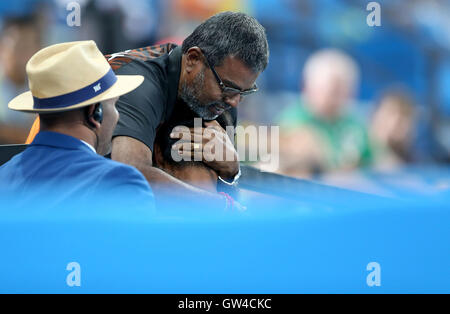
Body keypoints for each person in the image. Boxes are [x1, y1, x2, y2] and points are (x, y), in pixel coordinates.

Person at [0, 40, 155, 210]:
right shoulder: (120, 184)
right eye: (114, 105)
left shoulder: (4, 177)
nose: (117, 116)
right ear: (95, 112)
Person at [277, 49, 372, 178]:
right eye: (333, 90)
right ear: (308, 87)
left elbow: (378, 161)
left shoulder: (354, 123)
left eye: (345, 90)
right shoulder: (294, 120)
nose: (340, 98)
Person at [0, 15, 42, 143]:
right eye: (19, 47)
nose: (24, 55)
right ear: (2, 49)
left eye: (29, 47)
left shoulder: (46, 88)